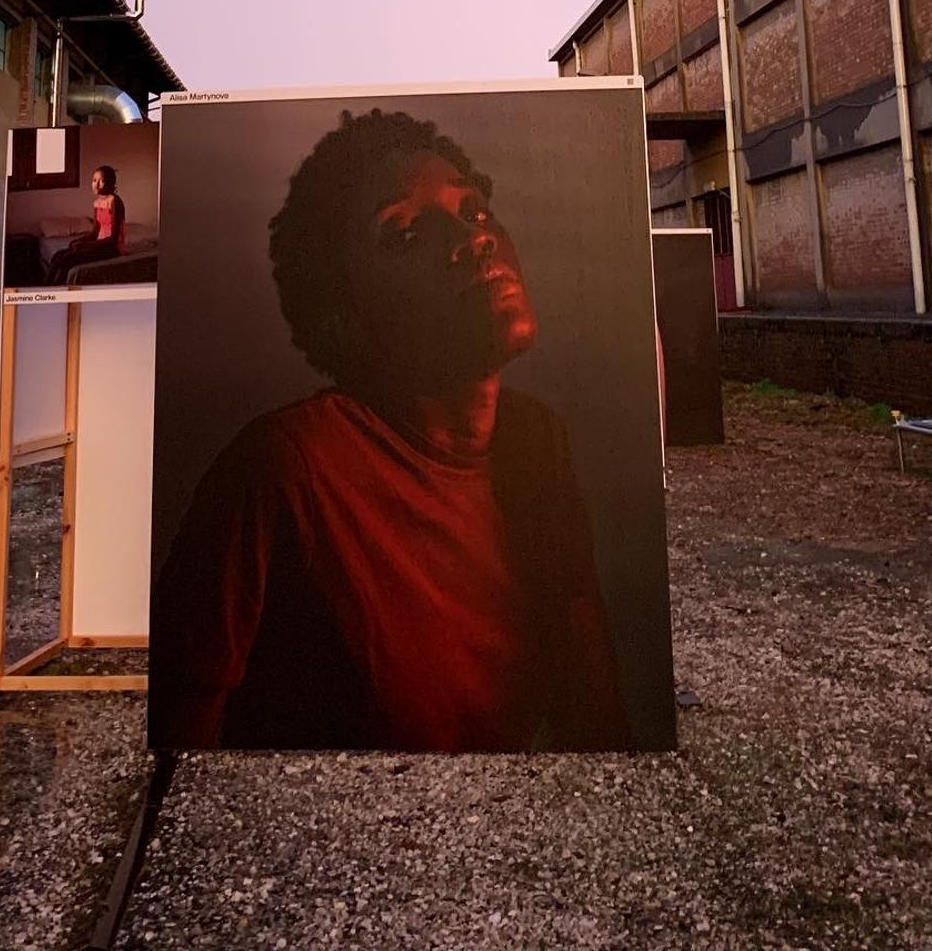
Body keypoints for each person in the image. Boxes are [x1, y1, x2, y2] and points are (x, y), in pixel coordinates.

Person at [151, 108, 629, 753]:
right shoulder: (285, 468)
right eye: (404, 233)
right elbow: (179, 759)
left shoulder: (536, 441)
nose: (472, 239)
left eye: (475, 211)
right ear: (343, 310)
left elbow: (598, 717)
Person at [46, 164, 125, 286]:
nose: (96, 184)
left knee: (68, 259)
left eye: (101, 181)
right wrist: (79, 241)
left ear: (110, 182)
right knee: (58, 256)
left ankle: (57, 290)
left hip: (110, 248)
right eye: (94, 180)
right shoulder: (97, 202)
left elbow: (113, 239)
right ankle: (46, 288)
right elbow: (95, 232)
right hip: (99, 245)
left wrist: (87, 245)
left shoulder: (115, 201)